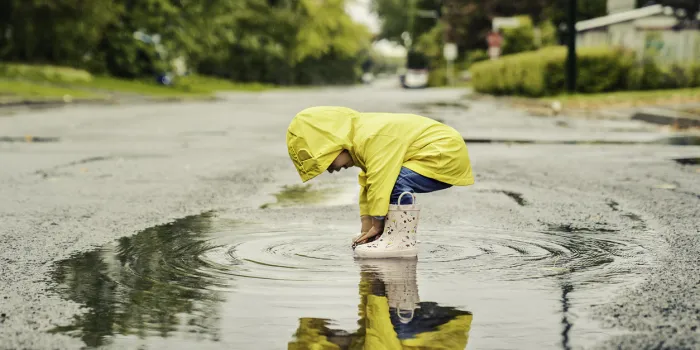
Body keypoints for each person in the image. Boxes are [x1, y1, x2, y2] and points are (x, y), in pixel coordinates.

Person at [286, 106, 473, 257]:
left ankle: (400, 240)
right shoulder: (359, 139)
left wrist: (377, 224)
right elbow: (368, 184)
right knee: (381, 182)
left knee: (392, 181)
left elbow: (381, 181)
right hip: (436, 152)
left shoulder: (369, 137)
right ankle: (390, 236)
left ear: (333, 144)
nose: (330, 170)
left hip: (443, 153)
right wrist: (367, 227)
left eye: (326, 162)